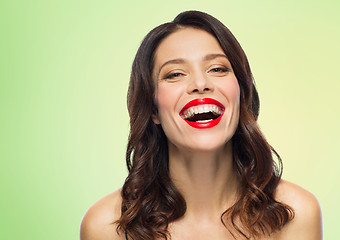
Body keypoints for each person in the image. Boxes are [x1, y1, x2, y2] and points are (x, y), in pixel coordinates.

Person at [80, 10, 322, 240]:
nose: (200, 83)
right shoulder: (106, 226)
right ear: (153, 109)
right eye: (175, 74)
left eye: (217, 69)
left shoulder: (295, 213)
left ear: (242, 94)